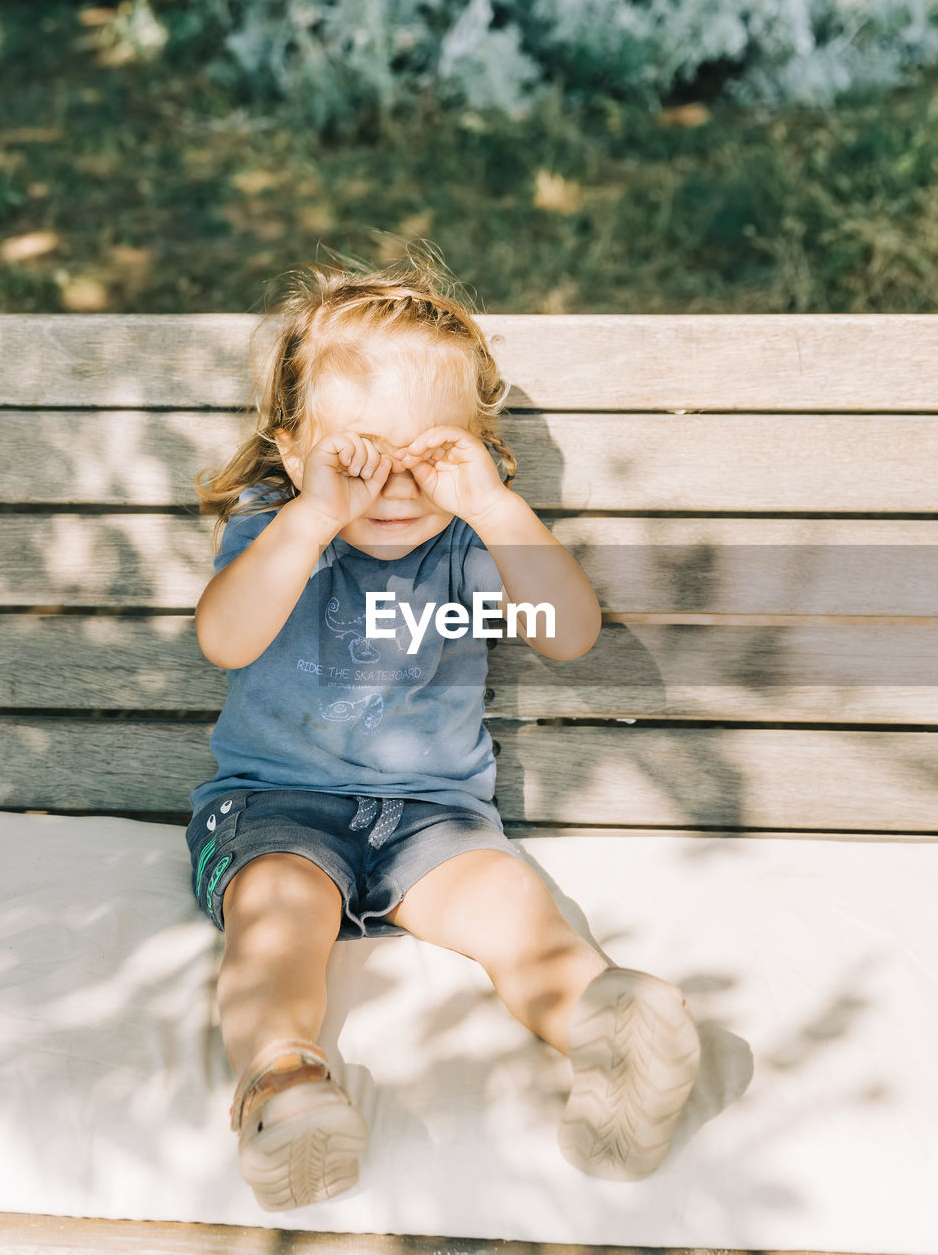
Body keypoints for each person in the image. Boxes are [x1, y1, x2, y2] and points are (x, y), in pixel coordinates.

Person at [187, 258, 701, 1212]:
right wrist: (310, 515)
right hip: (271, 807)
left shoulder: (468, 545)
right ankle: (285, 1083)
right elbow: (225, 638)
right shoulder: (273, 528)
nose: (389, 481)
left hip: (433, 821)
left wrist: (498, 508)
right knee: (276, 920)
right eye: (355, 453)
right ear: (294, 453)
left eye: (429, 453)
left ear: (474, 452)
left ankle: (607, 1032)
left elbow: (568, 636)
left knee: (514, 908)